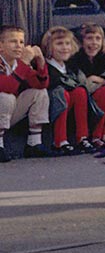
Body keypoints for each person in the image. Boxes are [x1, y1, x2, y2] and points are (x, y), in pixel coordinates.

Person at [66, 23, 105, 145]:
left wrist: (100, 80)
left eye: (98, 38)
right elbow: (80, 85)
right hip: (81, 102)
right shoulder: (74, 61)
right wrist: (97, 84)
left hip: (99, 99)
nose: (94, 43)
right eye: (89, 38)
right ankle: (89, 136)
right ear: (81, 42)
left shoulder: (104, 59)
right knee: (104, 91)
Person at [0, 24, 50, 161]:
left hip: (7, 115)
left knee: (40, 93)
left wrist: (40, 62)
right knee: (6, 97)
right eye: (13, 41)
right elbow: (6, 87)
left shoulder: (18, 63)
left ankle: (34, 143)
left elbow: (41, 83)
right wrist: (25, 62)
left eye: (21, 42)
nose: (19, 46)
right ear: (1, 46)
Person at [41, 26, 92, 154]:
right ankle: (60, 141)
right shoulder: (46, 66)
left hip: (68, 104)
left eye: (67, 43)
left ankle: (82, 137)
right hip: (51, 104)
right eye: (59, 44)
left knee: (80, 92)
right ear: (49, 47)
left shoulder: (70, 67)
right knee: (61, 93)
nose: (65, 47)